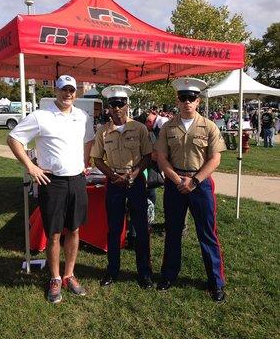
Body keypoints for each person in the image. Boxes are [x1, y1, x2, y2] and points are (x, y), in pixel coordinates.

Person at [7, 75, 94, 304]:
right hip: (52, 182)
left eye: (72, 90)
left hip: (76, 180)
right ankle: (55, 278)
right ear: (56, 91)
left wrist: (84, 162)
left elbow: (88, 140)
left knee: (74, 230)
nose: (68, 94)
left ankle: (69, 275)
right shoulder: (40, 116)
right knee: (54, 233)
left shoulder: (82, 116)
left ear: (77, 92)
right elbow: (14, 138)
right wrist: (31, 167)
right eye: (64, 90)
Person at [155, 77, 227, 302]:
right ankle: (168, 275)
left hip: (201, 183)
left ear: (198, 101)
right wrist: (178, 180)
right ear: (177, 100)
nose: (187, 102)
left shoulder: (209, 126)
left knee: (207, 234)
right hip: (175, 182)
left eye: (192, 98)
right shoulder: (168, 127)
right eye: (183, 98)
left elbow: (215, 159)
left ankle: (215, 282)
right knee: (173, 231)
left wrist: (194, 181)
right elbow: (161, 157)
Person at [91, 85, 153, 289]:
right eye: (113, 104)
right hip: (114, 181)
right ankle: (112, 270)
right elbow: (97, 159)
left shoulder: (140, 128)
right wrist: (112, 176)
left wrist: (134, 174)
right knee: (114, 228)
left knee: (141, 228)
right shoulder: (103, 131)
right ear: (108, 107)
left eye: (121, 103)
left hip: (135, 181)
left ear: (127, 105)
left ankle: (144, 272)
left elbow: (147, 155)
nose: (117, 108)